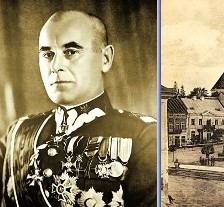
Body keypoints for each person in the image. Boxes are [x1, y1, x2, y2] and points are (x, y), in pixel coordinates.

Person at [1, 11, 156, 206]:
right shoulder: (18, 133)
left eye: (71, 52)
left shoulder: (144, 135)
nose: (55, 66)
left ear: (105, 58)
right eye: (48, 54)